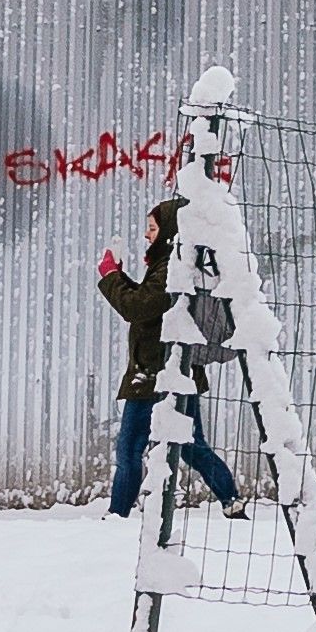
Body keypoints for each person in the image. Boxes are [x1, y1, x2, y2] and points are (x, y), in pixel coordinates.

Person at [98, 191, 240, 522]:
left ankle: (117, 515)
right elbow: (150, 303)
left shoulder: (172, 267)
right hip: (171, 369)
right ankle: (231, 499)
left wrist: (109, 276)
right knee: (191, 445)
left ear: (171, 230)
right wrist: (118, 277)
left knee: (131, 449)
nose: (147, 234)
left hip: (157, 373)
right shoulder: (171, 266)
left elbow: (137, 307)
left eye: (152, 227)